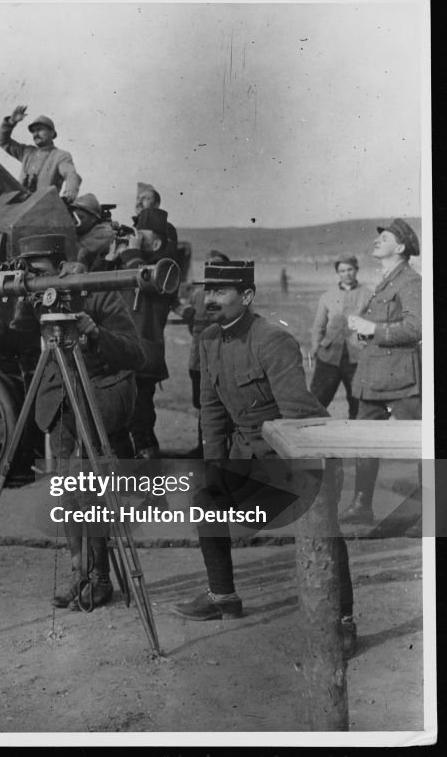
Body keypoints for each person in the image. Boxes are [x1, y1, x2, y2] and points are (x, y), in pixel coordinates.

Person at [171, 259, 356, 656]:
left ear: (248, 296)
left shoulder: (272, 340)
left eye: (221, 292)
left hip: (291, 458)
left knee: (321, 523)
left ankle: (342, 621)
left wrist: (305, 481)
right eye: (208, 291)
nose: (210, 299)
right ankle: (222, 597)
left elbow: (299, 416)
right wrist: (216, 469)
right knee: (207, 500)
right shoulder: (208, 340)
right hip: (244, 456)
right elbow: (213, 413)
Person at [0, 234, 144, 610]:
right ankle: (79, 573)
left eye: (37, 271)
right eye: (27, 271)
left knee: (90, 489)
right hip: (61, 398)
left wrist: (94, 332)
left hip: (98, 394)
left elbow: (136, 353)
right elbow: (19, 344)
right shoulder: (37, 299)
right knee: (67, 492)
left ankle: (101, 579)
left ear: (59, 266)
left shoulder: (95, 291)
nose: (31, 279)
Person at [341, 219, 422, 526]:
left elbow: (417, 328)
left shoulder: (410, 281)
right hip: (374, 377)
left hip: (402, 378)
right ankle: (362, 505)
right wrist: (364, 333)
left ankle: (432, 513)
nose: (377, 241)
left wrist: (373, 328)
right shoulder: (387, 280)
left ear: (400, 247)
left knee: (420, 444)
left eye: (384, 238)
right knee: (364, 439)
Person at [92, 205, 181, 460]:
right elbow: (92, 287)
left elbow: (150, 281)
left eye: (142, 237)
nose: (135, 242)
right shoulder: (131, 266)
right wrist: (107, 259)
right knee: (117, 427)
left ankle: (152, 491)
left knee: (140, 428)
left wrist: (131, 252)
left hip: (142, 361)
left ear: (156, 244)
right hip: (120, 357)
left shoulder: (165, 270)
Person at [308, 252, 372, 421]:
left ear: (356, 270)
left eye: (350, 269)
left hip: (357, 357)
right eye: (342, 271)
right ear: (338, 273)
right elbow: (318, 325)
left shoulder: (368, 294)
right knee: (316, 401)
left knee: (358, 403)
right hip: (329, 356)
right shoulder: (328, 295)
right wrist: (316, 346)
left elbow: (375, 324)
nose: (347, 274)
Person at [180, 250, 231, 458]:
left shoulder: (233, 295)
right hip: (198, 363)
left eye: (217, 265)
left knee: (228, 406)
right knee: (203, 407)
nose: (212, 268)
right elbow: (190, 321)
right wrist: (186, 314)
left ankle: (227, 451)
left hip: (225, 363)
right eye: (209, 264)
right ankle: (203, 449)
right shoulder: (198, 295)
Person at [0, 106, 81, 203]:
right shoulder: (27, 152)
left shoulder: (60, 156)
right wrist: (11, 122)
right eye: (33, 131)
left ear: (52, 133)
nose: (36, 134)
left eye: (40, 129)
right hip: (20, 206)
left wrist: (70, 192)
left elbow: (70, 174)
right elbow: (1, 140)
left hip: (43, 208)